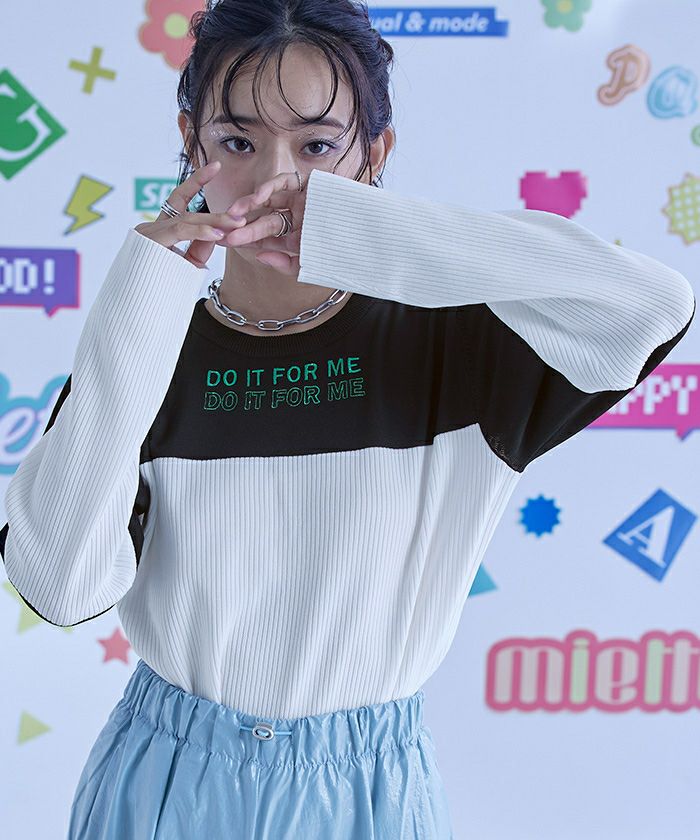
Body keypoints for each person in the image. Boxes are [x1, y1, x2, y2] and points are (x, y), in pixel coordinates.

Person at [0, 0, 695, 837]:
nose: (273, 180)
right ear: (191, 142)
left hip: (367, 790)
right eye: (237, 142)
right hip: (164, 781)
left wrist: (360, 232)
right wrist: (140, 299)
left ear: (376, 153)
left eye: (318, 146)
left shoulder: (462, 346)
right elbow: (60, 586)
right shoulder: (146, 347)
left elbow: (651, 306)